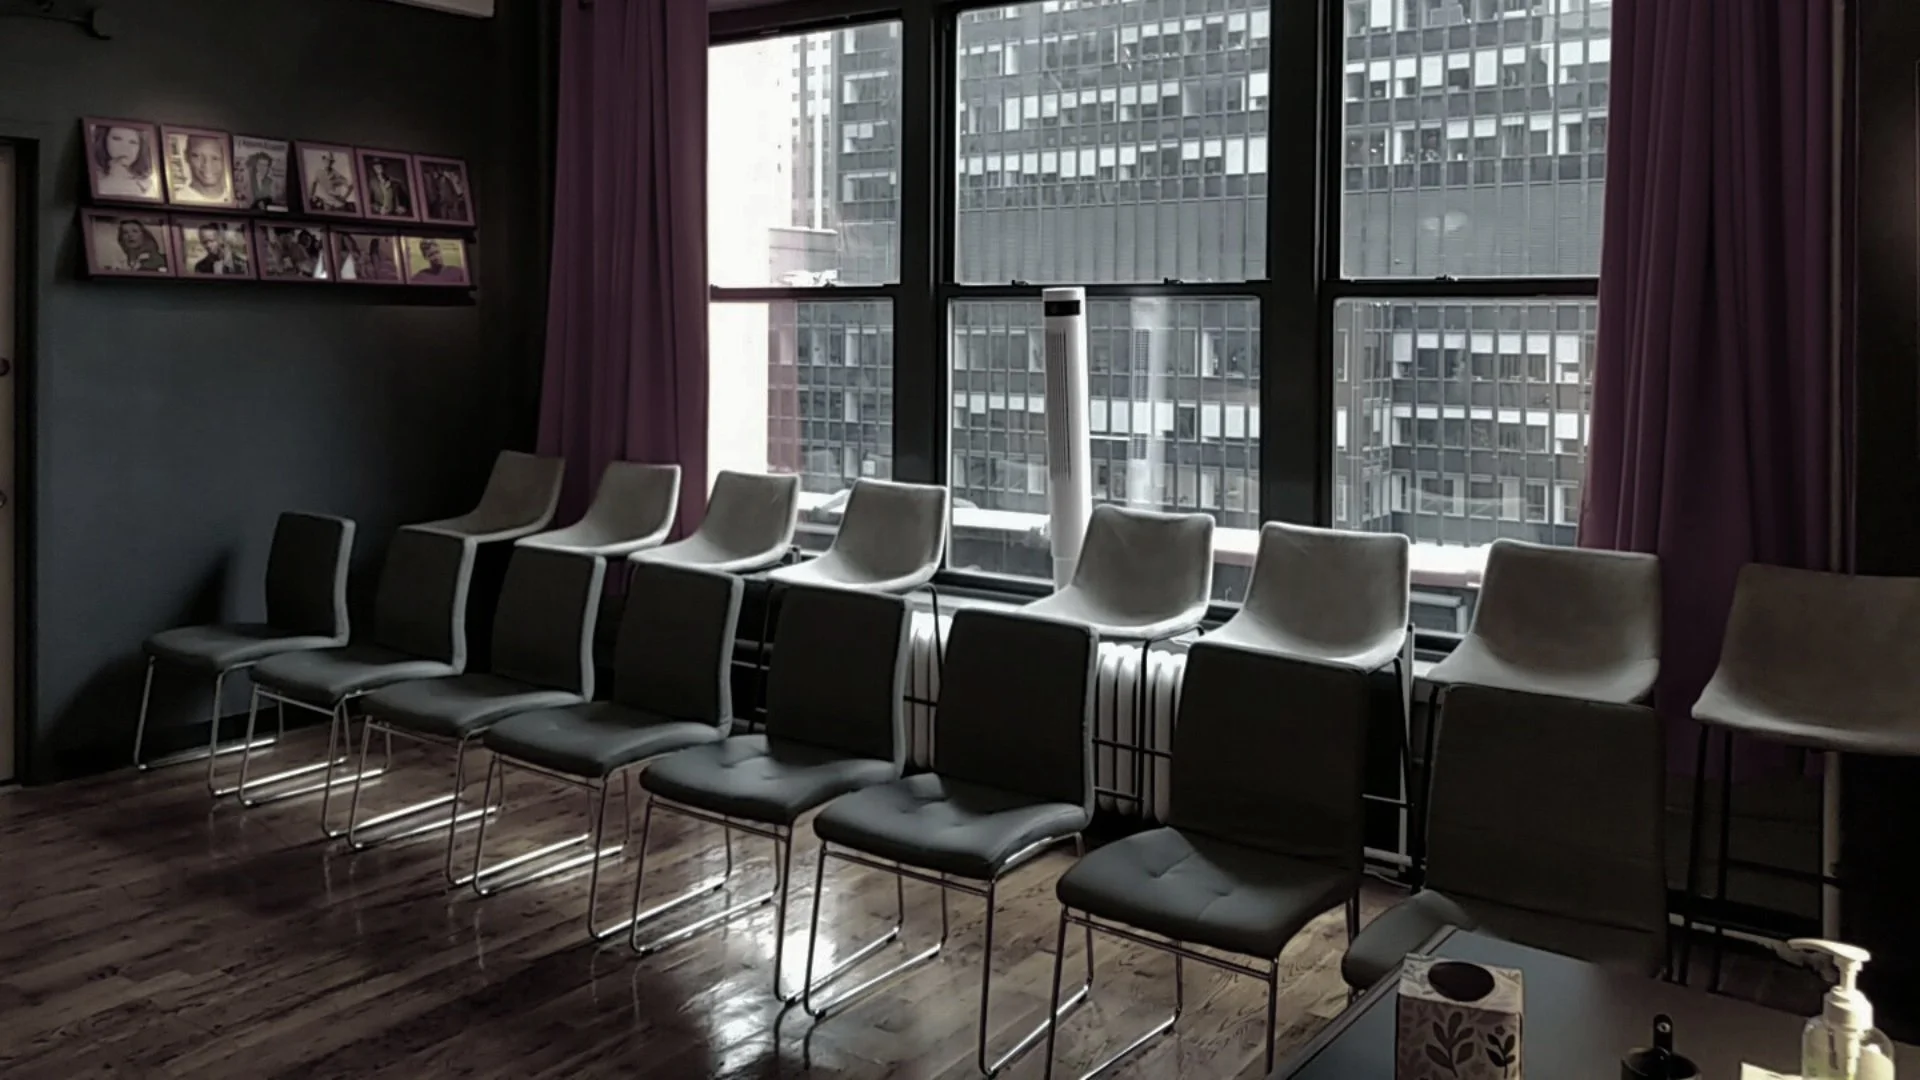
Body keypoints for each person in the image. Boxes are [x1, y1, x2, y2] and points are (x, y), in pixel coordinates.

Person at [91, 123, 156, 200]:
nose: (125, 147)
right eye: (117, 139)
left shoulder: (149, 185)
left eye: (133, 142)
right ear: (104, 140)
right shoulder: (94, 180)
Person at [180, 134, 229, 202]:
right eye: (197, 156)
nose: (207, 165)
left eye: (215, 158)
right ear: (186, 156)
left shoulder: (238, 200)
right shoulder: (179, 200)